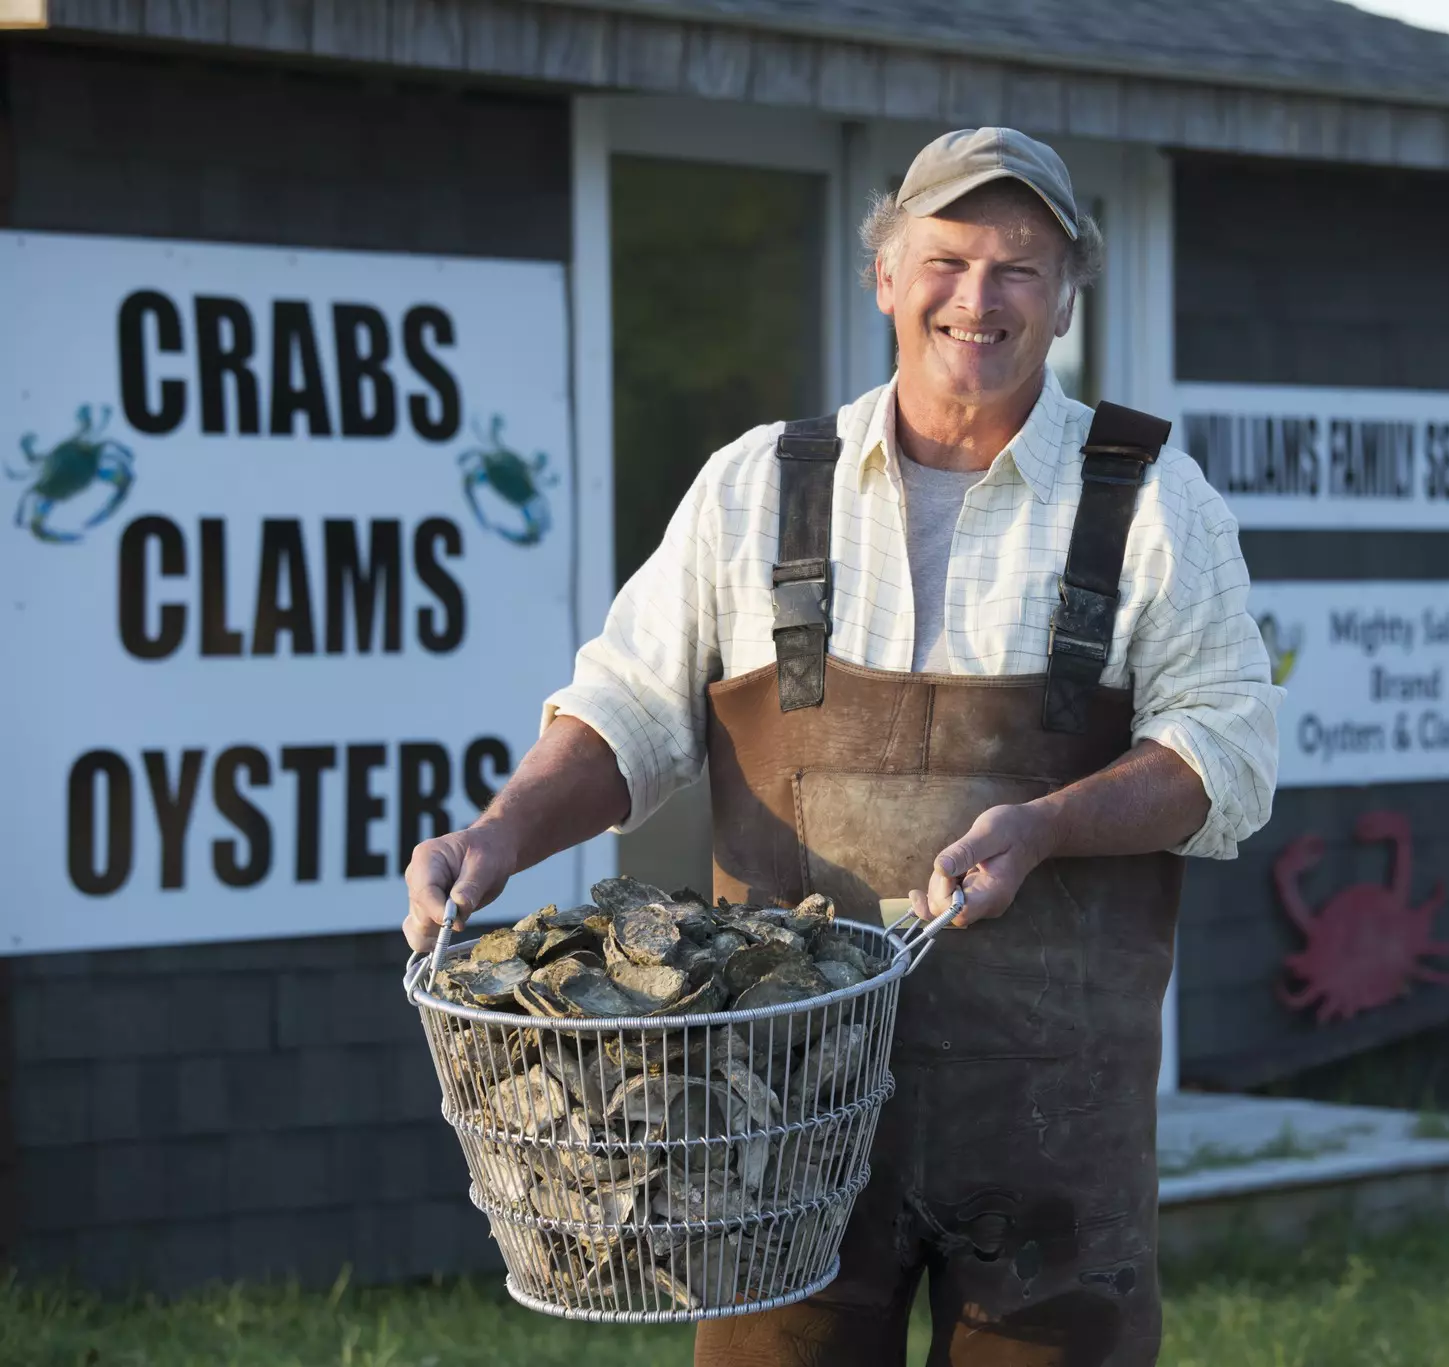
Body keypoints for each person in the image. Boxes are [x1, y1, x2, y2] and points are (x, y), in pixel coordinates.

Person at [402, 126, 1280, 1365]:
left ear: (1070, 293)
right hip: (766, 1124)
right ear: (883, 275)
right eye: (947, 259)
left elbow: (1228, 754)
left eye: (1021, 267)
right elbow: (625, 711)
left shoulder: (1149, 499)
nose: (977, 299)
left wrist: (1047, 824)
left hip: (1051, 1130)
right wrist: (495, 832)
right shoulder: (753, 486)